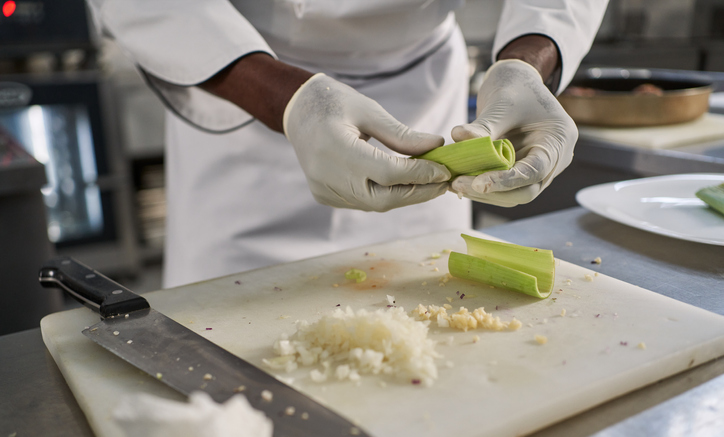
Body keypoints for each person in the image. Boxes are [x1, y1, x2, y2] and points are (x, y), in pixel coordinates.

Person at [87, 0, 608, 288]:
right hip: (240, 79)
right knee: (229, 339)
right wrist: (286, 100)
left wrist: (529, 61)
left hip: (419, 82)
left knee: (430, 315)